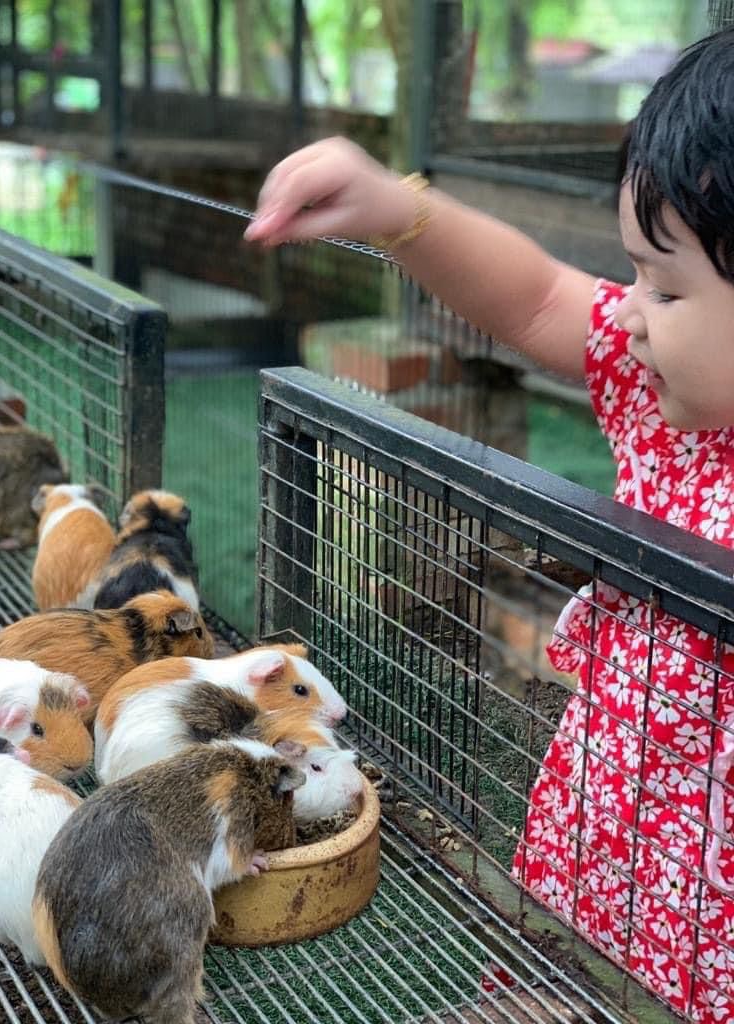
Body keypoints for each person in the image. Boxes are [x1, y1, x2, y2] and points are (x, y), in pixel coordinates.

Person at [246, 27, 734, 1024]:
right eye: (636, 274)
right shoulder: (667, 406)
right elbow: (544, 294)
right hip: (600, 865)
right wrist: (395, 209)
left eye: (668, 287)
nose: (632, 315)